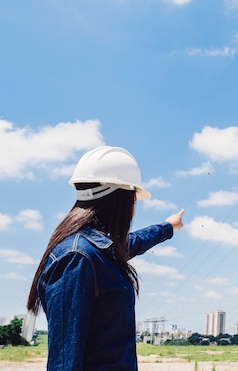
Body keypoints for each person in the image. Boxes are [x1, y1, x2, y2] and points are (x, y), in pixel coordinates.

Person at [27, 146, 184, 370]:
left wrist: (169, 226)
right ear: (119, 201)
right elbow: (64, 363)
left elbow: (134, 242)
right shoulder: (77, 258)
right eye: (133, 202)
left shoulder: (99, 252)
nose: (133, 210)